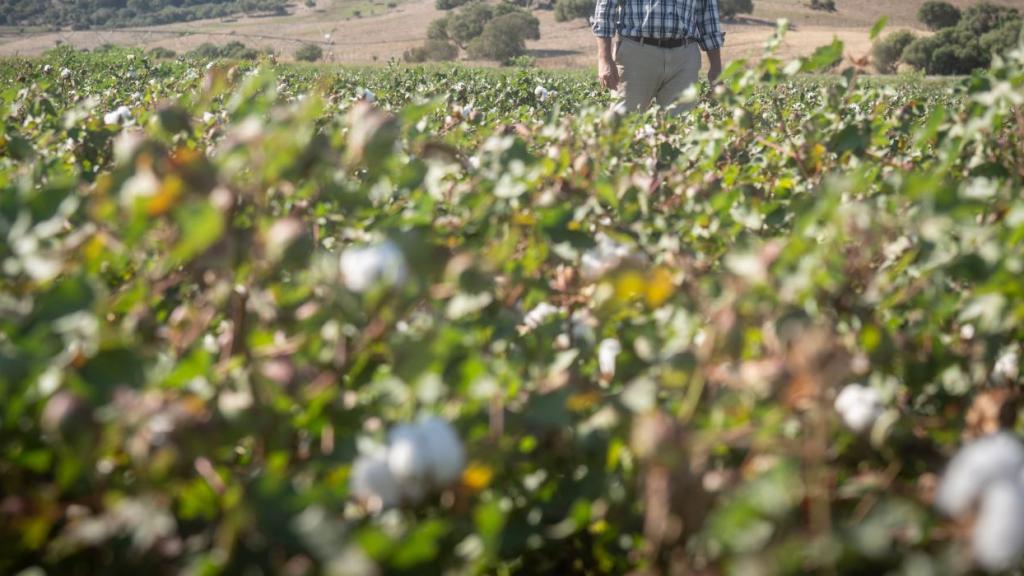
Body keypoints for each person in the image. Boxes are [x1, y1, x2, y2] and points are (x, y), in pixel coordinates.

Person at [592, 0, 725, 115]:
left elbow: (708, 15)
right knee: (623, 124)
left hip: (684, 58)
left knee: (681, 127)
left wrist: (716, 69)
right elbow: (606, 7)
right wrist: (604, 58)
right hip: (636, 55)